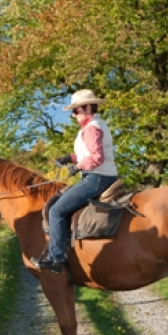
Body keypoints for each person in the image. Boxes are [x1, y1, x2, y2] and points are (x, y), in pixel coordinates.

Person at [30, 89, 118, 274]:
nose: (73, 114)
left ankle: (56, 258)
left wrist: (77, 167)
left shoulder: (92, 128)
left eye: (76, 110)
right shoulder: (93, 126)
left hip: (97, 177)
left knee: (56, 211)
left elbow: (97, 157)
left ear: (87, 107)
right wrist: (70, 157)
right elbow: (89, 153)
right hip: (101, 175)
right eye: (73, 111)